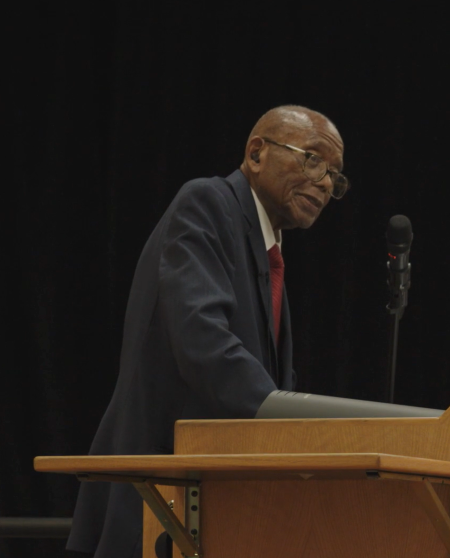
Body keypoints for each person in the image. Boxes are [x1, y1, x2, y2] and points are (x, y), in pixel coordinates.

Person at [67, 105, 348, 558]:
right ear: (257, 153)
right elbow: (203, 343)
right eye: (312, 159)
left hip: (220, 500)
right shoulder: (207, 203)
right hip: (163, 493)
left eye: (335, 175)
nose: (325, 182)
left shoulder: (266, 247)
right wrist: (298, 427)